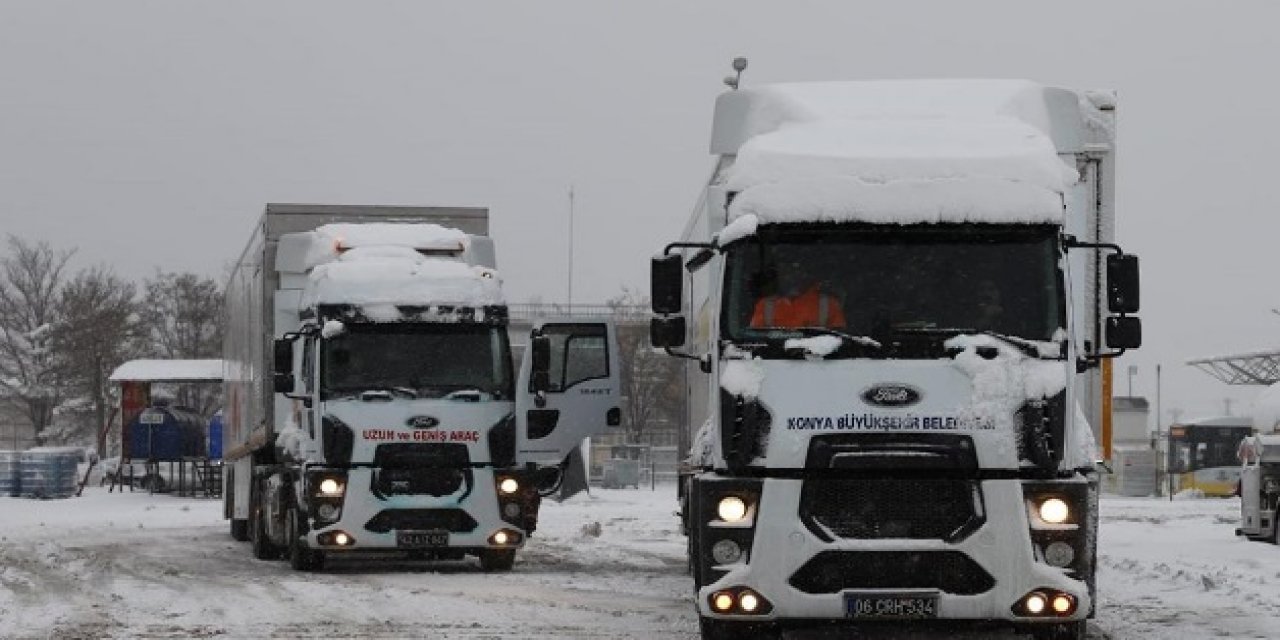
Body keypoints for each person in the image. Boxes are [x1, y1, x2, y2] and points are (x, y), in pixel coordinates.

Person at [749, 263, 846, 329]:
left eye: (798, 269)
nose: (792, 275)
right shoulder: (765, 306)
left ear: (808, 274)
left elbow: (839, 342)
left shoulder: (829, 305)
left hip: (817, 358)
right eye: (787, 270)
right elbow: (754, 340)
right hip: (772, 358)